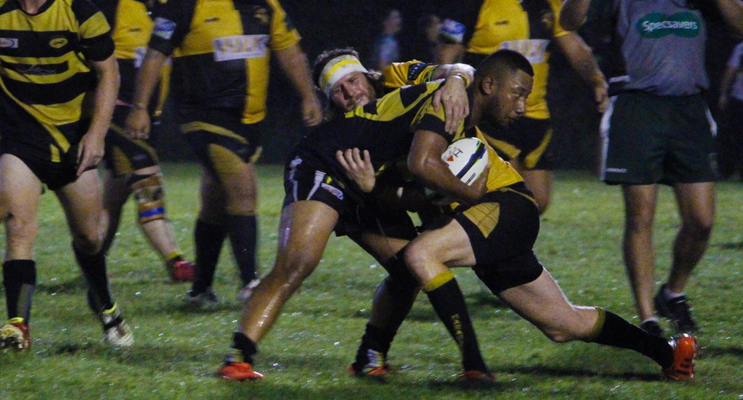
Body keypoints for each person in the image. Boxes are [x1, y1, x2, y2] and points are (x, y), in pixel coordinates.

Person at [358, 49, 697, 382]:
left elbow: (429, 74)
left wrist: (456, 79)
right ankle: (670, 354)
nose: (521, 107)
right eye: (518, 94)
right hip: (490, 215)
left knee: (421, 255)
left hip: (505, 205)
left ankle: (474, 368)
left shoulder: (436, 102)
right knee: (564, 325)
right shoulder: (383, 128)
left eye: (525, 97)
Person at [216, 49, 474, 381]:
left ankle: (370, 356)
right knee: (297, 263)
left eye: (353, 80)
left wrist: (455, 81)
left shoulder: (398, 76)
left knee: (410, 269)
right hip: (325, 169)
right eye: (339, 90)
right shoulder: (338, 133)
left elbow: (461, 68)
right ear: (333, 103)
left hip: (372, 183)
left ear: (367, 75)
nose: (351, 93)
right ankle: (237, 359)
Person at [560, 0, 743, 338]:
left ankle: (672, 292)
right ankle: (648, 319)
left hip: (689, 107)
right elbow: (569, 21)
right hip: (636, 105)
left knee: (702, 221)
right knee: (641, 216)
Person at [125, 0, 323, 305]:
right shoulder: (183, 5)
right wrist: (140, 107)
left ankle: (200, 289)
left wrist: (308, 95)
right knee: (243, 190)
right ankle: (250, 284)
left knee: (215, 203)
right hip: (204, 116)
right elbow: (155, 54)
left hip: (249, 120)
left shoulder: (265, 5)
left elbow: (289, 50)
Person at [0, 0, 133, 350]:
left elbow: (109, 73)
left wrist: (97, 135)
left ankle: (104, 303)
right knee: (18, 227)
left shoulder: (79, 11)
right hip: (20, 137)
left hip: (73, 139)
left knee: (89, 238)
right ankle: (17, 326)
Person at [436, 0, 609, 214]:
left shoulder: (549, 3)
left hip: (535, 115)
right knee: (506, 198)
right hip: (490, 116)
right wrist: (447, 91)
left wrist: (596, 80)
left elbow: (572, 44)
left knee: (538, 201)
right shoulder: (472, 5)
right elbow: (446, 53)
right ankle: (462, 231)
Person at [93, 0, 195, 283]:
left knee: (114, 197)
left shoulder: (171, 10)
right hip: (118, 117)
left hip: (149, 120)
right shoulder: (112, 9)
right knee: (148, 184)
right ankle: (175, 260)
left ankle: (93, 261)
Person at [718, 40, 743, 180]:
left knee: (734, 137)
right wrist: (723, 93)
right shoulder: (740, 47)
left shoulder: (741, 47)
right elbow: (730, 71)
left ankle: (727, 170)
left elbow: (730, 71)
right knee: (735, 137)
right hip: (739, 99)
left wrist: (723, 94)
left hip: (738, 98)